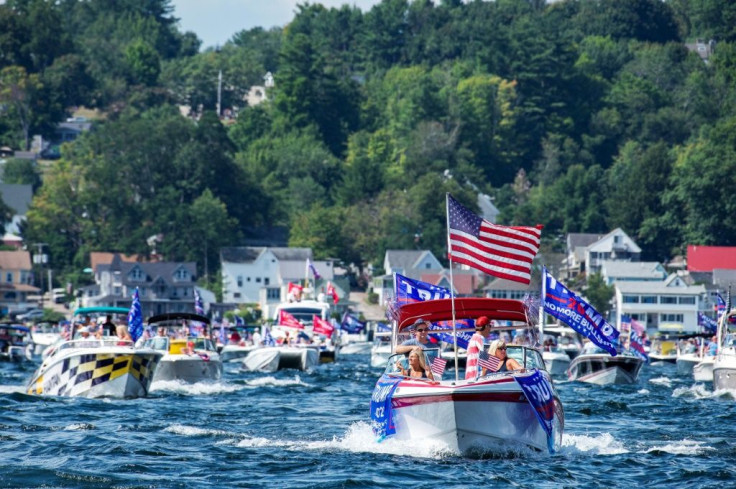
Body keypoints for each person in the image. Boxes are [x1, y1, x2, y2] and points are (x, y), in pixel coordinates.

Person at [465, 316, 492, 380]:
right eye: (490, 326)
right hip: (476, 378)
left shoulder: (473, 338)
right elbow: (486, 359)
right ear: (486, 326)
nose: (490, 329)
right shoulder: (480, 339)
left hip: (470, 377)